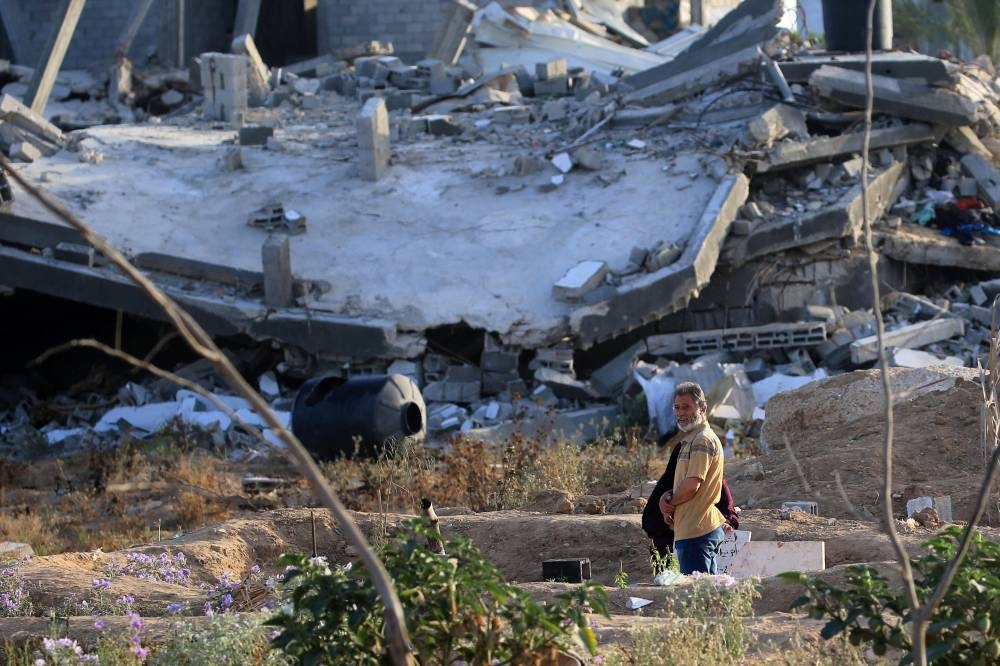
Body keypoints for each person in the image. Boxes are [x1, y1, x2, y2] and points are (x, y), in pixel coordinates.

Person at [652, 381, 728, 575]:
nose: (680, 413)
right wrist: (665, 497)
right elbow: (684, 484)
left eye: (686, 407)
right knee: (707, 594)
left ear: (702, 408)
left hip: (697, 531)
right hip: (695, 529)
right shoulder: (691, 439)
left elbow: (692, 485)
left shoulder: (702, 439)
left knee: (698, 598)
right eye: (677, 407)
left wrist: (670, 504)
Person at [641, 432, 739, 562]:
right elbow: (649, 521)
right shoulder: (667, 485)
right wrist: (671, 521)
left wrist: (725, 523)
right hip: (671, 555)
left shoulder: (713, 481)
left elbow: (730, 513)